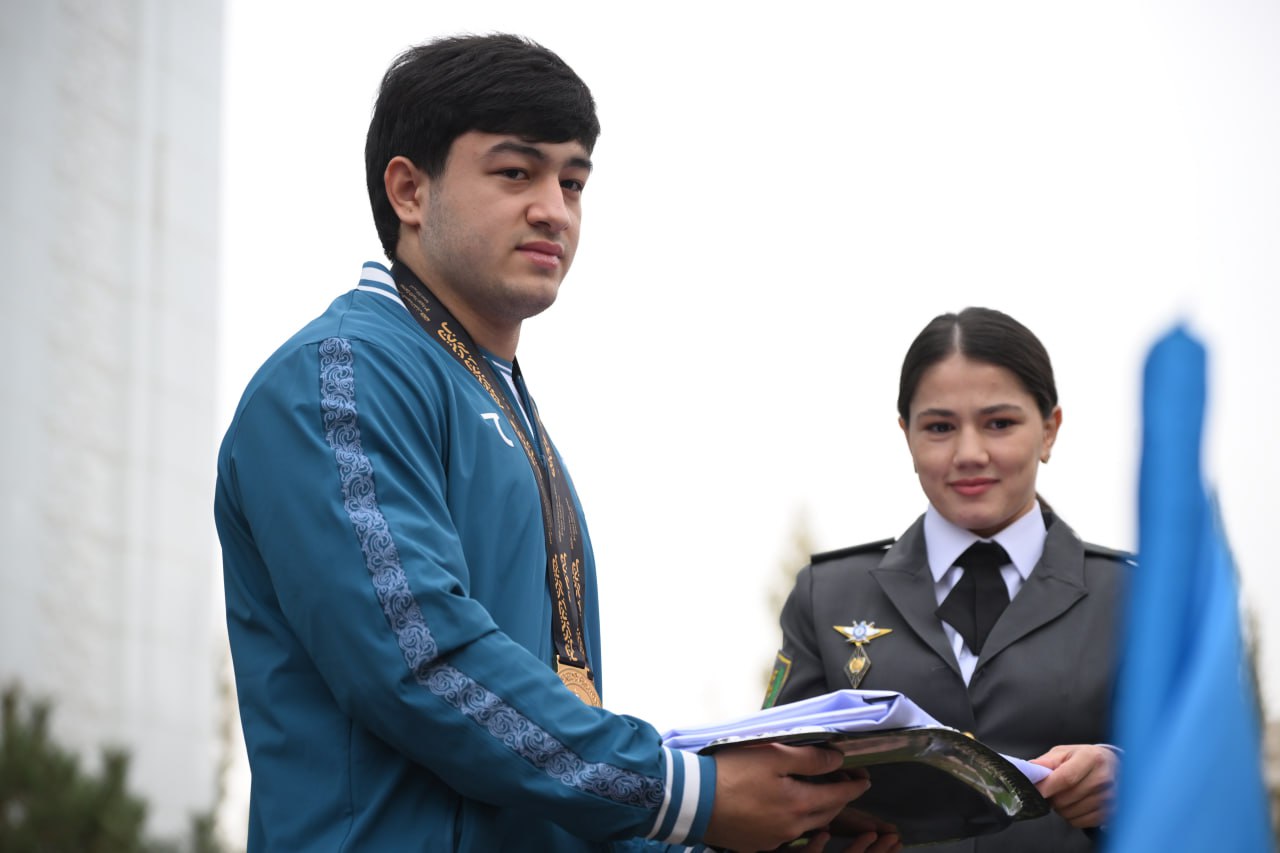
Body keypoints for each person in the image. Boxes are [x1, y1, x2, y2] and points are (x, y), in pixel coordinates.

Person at [215, 33, 889, 853]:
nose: (554, 209)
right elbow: (422, 661)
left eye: (573, 181)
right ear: (409, 190)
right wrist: (692, 795)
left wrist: (755, 831)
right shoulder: (341, 375)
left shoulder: (498, 402)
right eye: (515, 172)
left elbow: (547, 770)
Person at [764, 307, 1129, 852]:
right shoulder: (828, 595)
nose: (969, 454)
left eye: (999, 423)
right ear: (907, 435)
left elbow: (1208, 772)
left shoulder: (1136, 597)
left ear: (1049, 430)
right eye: (939, 427)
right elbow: (771, 784)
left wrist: (1131, 778)